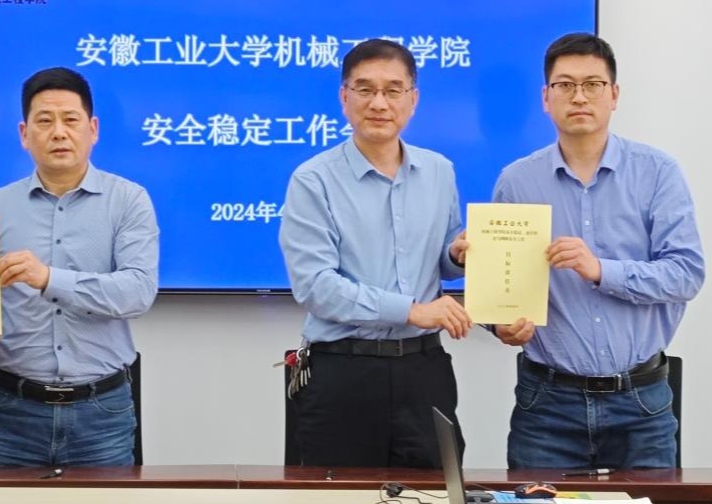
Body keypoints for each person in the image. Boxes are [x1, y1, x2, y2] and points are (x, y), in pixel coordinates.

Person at [493, 33, 704, 469]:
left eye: (592, 84)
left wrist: (601, 270)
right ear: (546, 98)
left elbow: (686, 274)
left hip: (641, 404)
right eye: (565, 85)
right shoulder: (517, 182)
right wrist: (500, 324)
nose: (579, 97)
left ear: (614, 95)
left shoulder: (658, 173)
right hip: (547, 405)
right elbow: (499, 286)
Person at [279, 39, 472, 468]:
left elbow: (441, 261)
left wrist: (457, 256)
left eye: (393, 90)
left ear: (413, 99)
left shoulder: (439, 171)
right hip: (342, 373)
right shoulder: (313, 179)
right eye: (365, 89)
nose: (379, 103)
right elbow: (315, 287)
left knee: (434, 499)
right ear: (344, 97)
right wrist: (412, 310)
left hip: (424, 370)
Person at [0, 67, 158, 467]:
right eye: (44, 121)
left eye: (70, 120)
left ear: (93, 129)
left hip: (101, 412)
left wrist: (50, 279)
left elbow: (138, 292)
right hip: (13, 411)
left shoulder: (128, 200)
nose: (58, 132)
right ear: (24, 134)